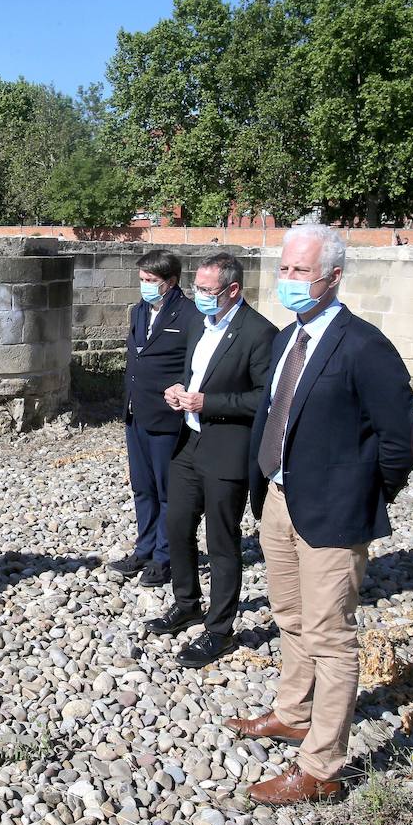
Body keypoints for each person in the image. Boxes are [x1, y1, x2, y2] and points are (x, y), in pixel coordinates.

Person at [227, 225, 413, 806]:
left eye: (300, 271)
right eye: (283, 270)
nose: (288, 281)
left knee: (331, 636)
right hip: (280, 502)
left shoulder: (363, 346)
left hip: (334, 514)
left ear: (333, 276)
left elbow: (403, 442)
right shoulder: (291, 337)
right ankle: (293, 712)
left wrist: (362, 494)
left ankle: (321, 766)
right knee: (290, 615)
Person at [146, 254, 276, 668]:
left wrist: (209, 403)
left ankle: (219, 629)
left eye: (206, 290)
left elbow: (264, 399)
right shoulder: (200, 326)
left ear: (232, 290)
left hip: (227, 449)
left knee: (221, 540)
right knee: (178, 524)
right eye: (198, 288)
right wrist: (179, 391)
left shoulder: (259, 333)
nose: (198, 296)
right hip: (190, 442)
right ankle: (186, 603)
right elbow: (196, 376)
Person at [108, 250, 200, 588]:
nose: (144, 286)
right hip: (135, 413)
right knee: (142, 487)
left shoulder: (190, 315)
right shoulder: (139, 311)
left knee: (167, 491)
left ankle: (165, 556)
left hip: (166, 417)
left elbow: (196, 365)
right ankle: (144, 548)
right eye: (142, 280)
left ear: (171, 282)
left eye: (151, 281)